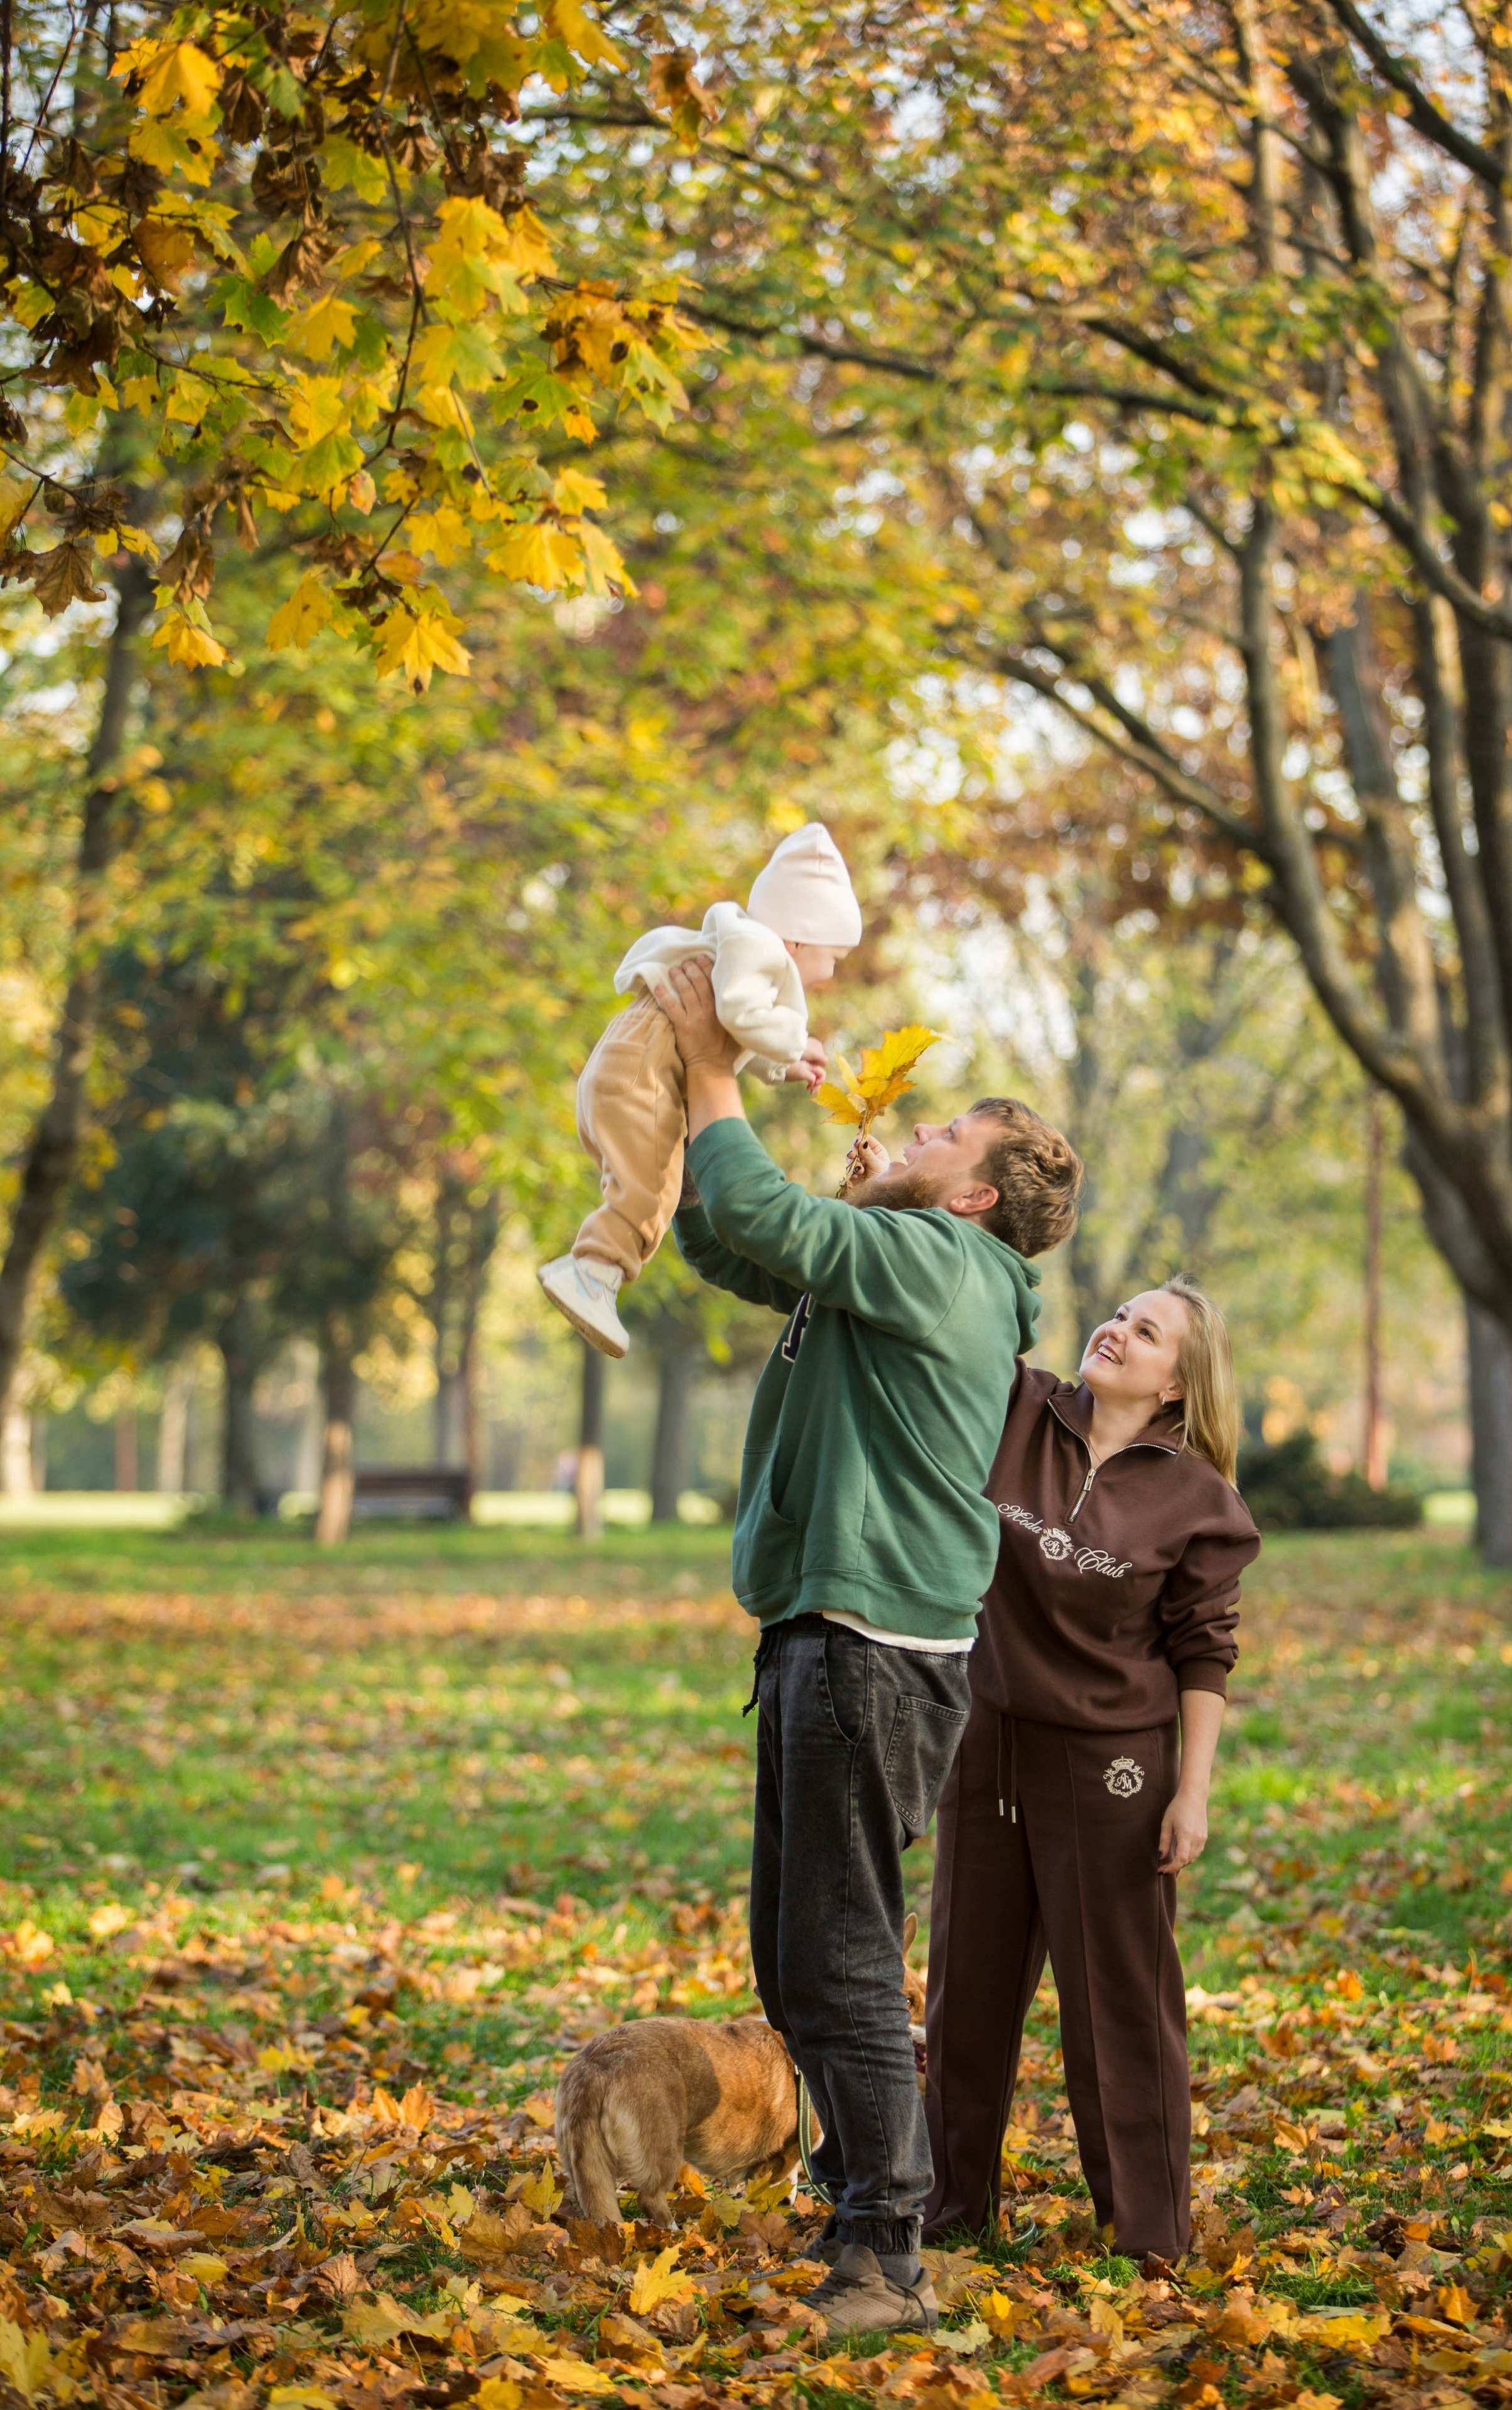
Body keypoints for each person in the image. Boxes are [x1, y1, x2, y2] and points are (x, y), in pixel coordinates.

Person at [656, 958, 1082, 2337]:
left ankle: (886, 2251)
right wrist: (697, 1102)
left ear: (976, 1197)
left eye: (943, 1134)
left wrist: (714, 1063)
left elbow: (763, 1213)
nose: (915, 1128)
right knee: (794, 1957)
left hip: (871, 1647)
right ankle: (857, 2201)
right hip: (824, 1632)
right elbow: (734, 1243)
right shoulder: (905, 1257)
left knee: (840, 1954)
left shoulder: (948, 1265)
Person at [922, 1280, 1260, 2267]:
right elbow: (952, 1314)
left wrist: (1192, 1792)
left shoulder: (1198, 1499)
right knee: (965, 1992)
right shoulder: (1019, 1407)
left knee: (1119, 2006)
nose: (1116, 1330)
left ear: (1176, 1384)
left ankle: (1148, 2236)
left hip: (1115, 1766)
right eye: (1119, 1314)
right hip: (989, 1744)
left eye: (1146, 1331)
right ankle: (950, 2210)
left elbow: (1205, 1651)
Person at [539, 823, 861, 1359]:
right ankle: (592, 1275)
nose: (829, 974)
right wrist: (794, 1039)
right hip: (642, 1075)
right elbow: (737, 1012)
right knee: (650, 1192)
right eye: (834, 958)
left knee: (644, 1183)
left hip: (626, 1067)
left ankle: (590, 1271)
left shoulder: (739, 949)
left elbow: (731, 1025)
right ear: (799, 938)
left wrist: (785, 1064)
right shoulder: (759, 949)